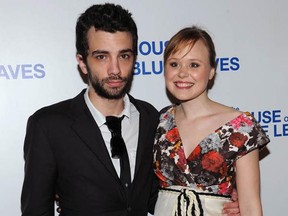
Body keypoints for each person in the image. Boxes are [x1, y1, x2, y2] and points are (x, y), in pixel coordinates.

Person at [21, 3, 159, 216]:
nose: (115, 70)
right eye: (101, 56)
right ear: (82, 62)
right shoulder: (49, 125)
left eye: (124, 56)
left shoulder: (151, 117)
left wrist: (219, 200)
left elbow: (155, 198)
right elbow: (36, 210)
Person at [153, 26, 269, 215]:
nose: (182, 73)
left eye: (194, 65)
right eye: (174, 64)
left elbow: (250, 207)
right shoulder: (160, 121)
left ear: (212, 71)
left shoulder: (240, 127)